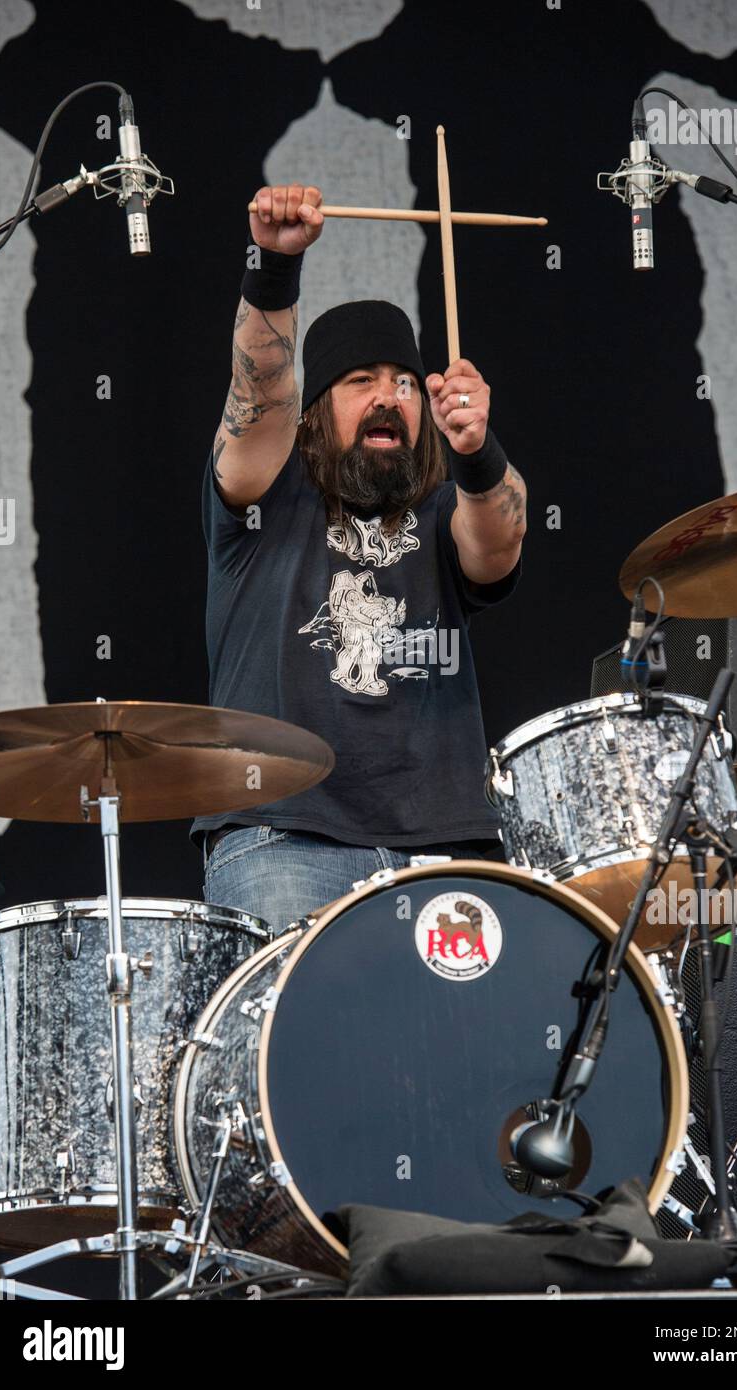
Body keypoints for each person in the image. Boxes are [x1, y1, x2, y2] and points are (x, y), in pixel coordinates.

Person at [193, 182, 526, 935]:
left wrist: (475, 451)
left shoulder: (444, 508)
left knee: (464, 1053)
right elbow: (261, 392)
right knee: (289, 1048)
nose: (389, 398)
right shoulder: (266, 498)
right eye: (360, 382)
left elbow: (498, 545)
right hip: (284, 838)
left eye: (405, 383)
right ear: (317, 410)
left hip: (445, 846)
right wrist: (275, 269)